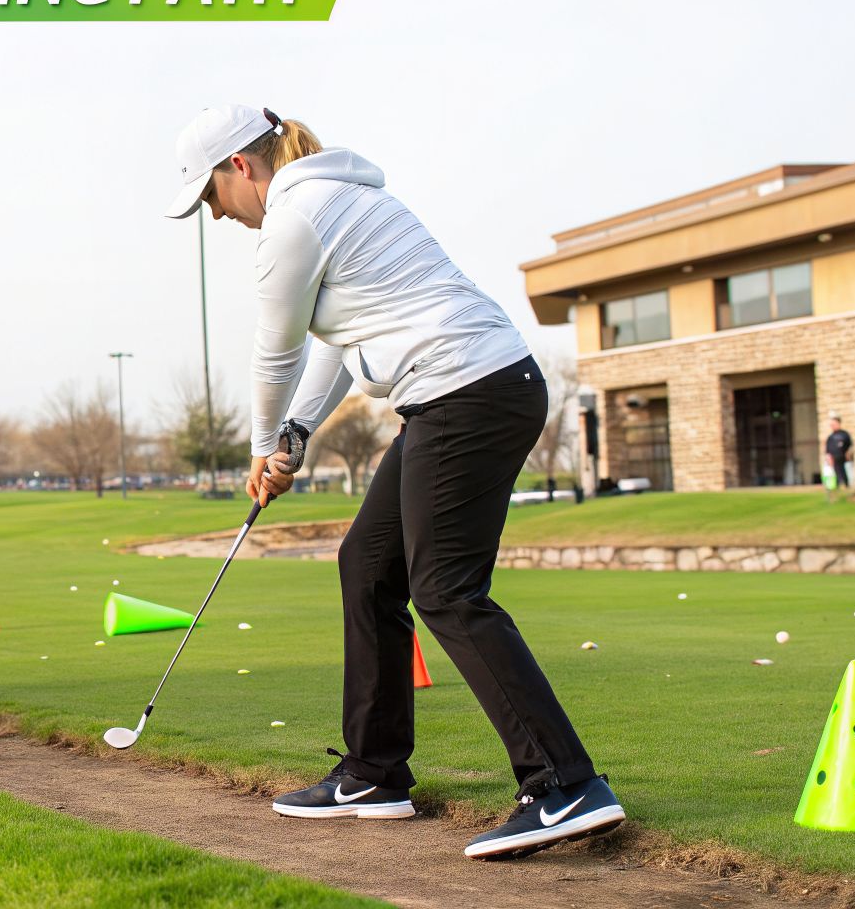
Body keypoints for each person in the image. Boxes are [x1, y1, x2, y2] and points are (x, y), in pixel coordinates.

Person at [163, 104, 623, 860]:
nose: (216, 215)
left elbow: (275, 353)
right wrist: (296, 436)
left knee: (444, 587)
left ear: (239, 167)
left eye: (210, 196)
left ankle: (565, 785)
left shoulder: (293, 219)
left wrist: (258, 447)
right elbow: (340, 345)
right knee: (369, 564)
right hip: (471, 389)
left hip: (465, 392)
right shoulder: (343, 199)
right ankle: (374, 773)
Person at [824, 413, 854, 489]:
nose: (832, 426)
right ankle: (836, 487)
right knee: (835, 474)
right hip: (834, 459)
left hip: (844, 459)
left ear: (838, 423)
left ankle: (847, 486)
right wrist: (828, 457)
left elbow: (850, 445)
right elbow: (828, 450)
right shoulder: (831, 437)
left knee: (845, 473)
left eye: (834, 424)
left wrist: (849, 453)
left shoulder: (844, 434)